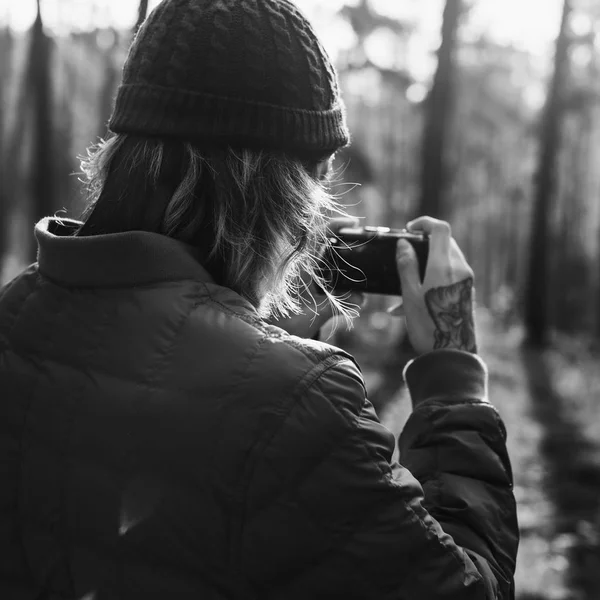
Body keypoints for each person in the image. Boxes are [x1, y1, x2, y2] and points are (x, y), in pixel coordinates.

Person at [0, 0, 518, 598]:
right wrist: (453, 375)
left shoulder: (14, 315)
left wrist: (262, 343)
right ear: (284, 194)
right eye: (318, 180)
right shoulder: (297, 397)